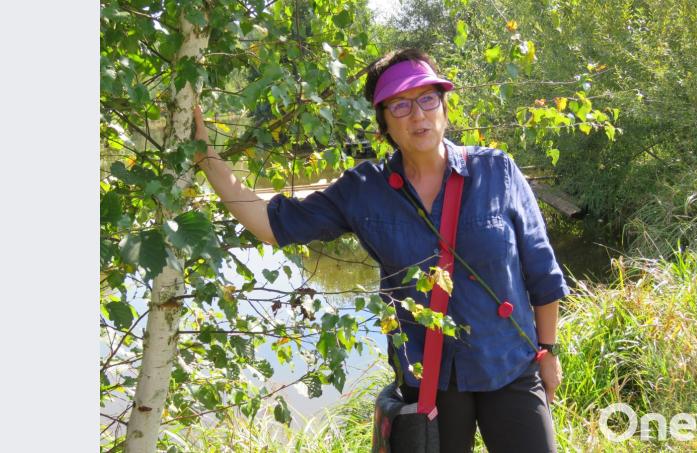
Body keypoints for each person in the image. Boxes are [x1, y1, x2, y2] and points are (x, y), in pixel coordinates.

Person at [192, 48, 569, 453]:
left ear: (443, 105)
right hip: (429, 382)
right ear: (383, 121)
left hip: (510, 364)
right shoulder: (365, 190)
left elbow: (542, 274)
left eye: (428, 99)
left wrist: (548, 351)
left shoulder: (497, 171)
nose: (418, 115)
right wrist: (203, 155)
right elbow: (273, 224)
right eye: (401, 105)